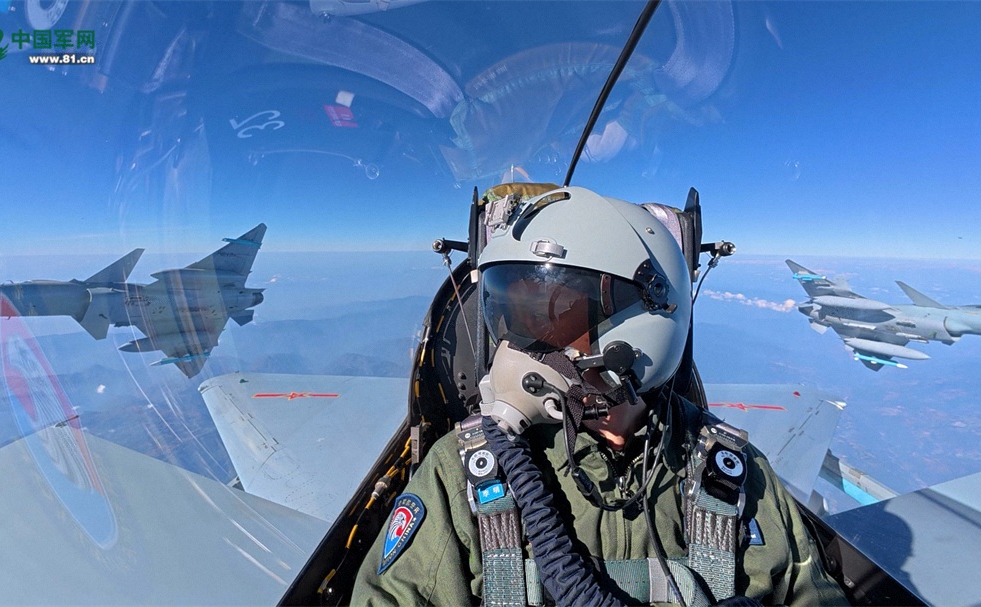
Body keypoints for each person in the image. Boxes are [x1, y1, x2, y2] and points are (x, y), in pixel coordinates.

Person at [351, 186, 848, 606]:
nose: (515, 351)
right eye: (511, 319)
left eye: (550, 319)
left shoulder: (732, 477)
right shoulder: (460, 476)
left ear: (644, 326)